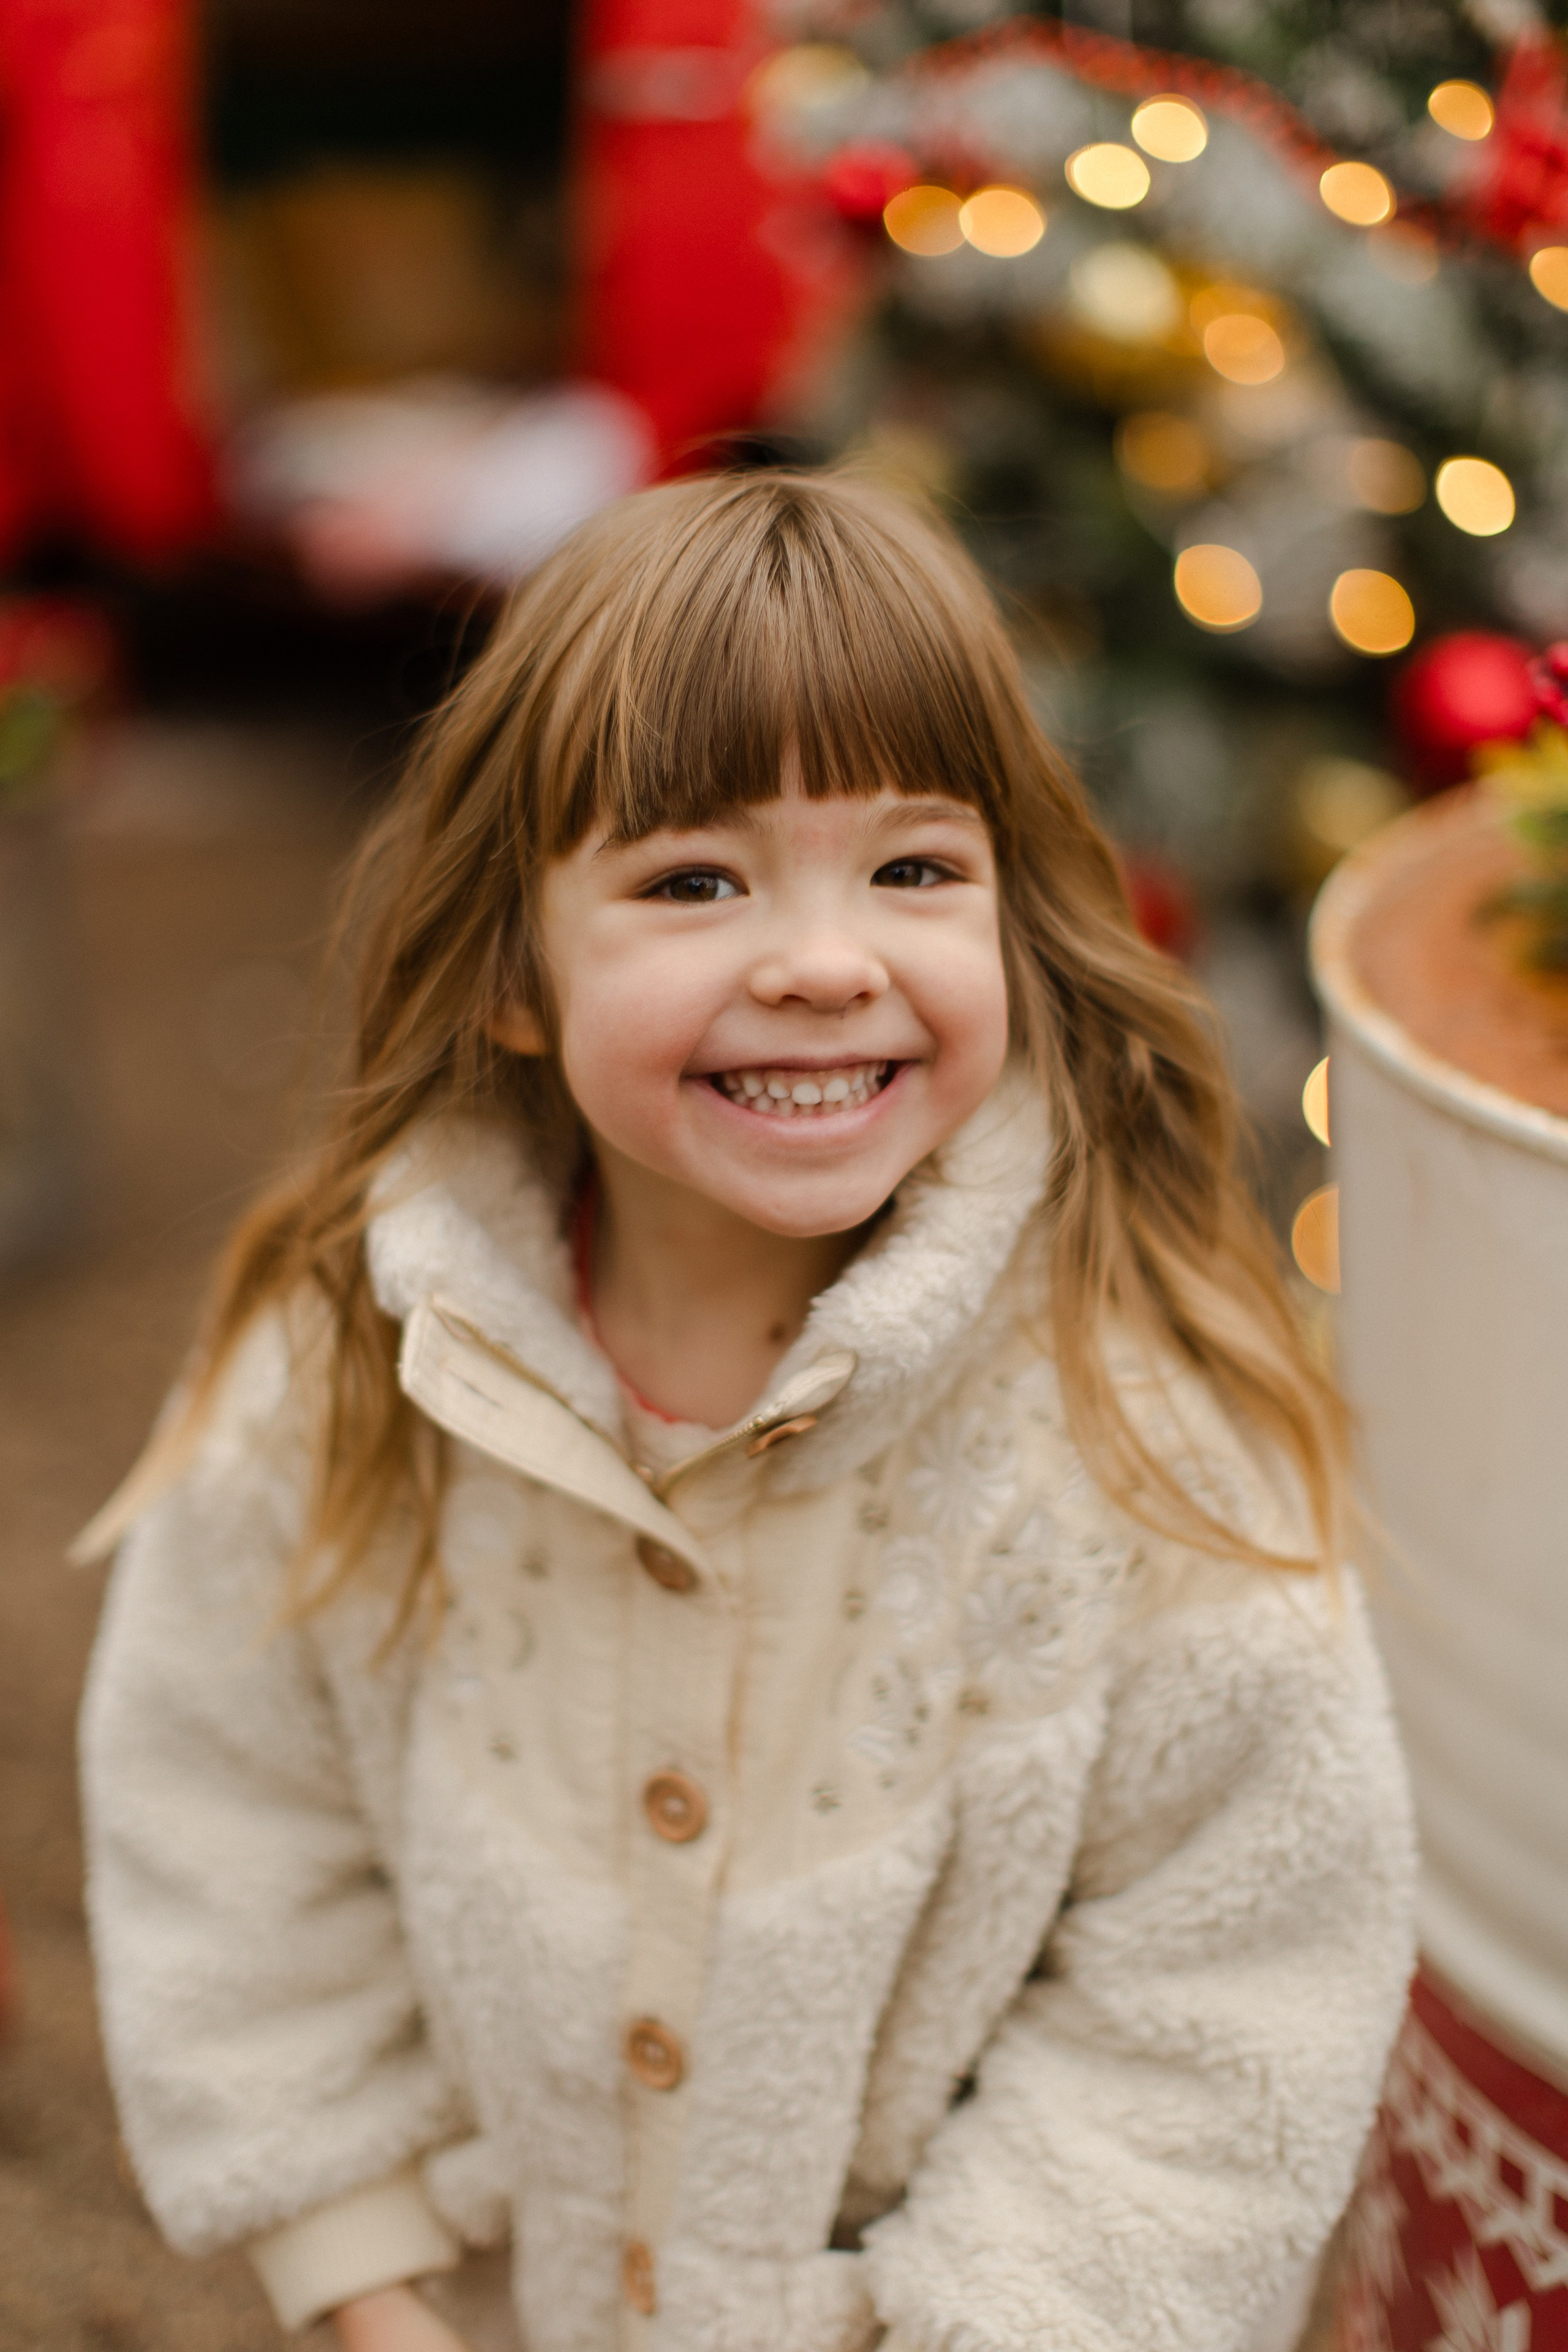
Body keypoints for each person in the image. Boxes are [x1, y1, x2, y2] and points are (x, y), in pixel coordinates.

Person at [78, 470, 1414, 2352]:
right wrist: (358, 2270)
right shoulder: (351, 1377)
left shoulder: (1145, 1441)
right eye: (695, 880)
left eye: (915, 869)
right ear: (509, 979)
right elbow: (224, 1798)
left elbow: (1226, 1988)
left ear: (1018, 930)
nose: (822, 959)